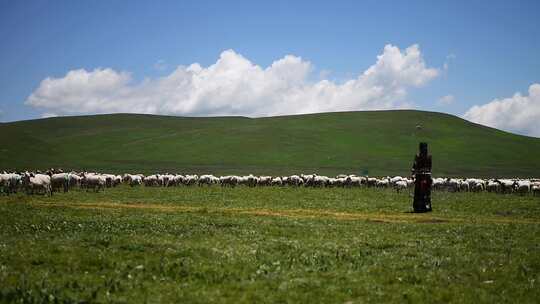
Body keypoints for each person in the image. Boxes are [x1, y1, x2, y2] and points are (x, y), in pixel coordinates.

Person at [411, 142, 432, 212]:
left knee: (422, 191)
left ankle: (419, 206)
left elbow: (415, 165)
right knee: (423, 191)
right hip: (423, 175)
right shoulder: (427, 156)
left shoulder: (420, 156)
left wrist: (414, 171)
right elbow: (415, 165)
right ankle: (425, 206)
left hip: (423, 175)